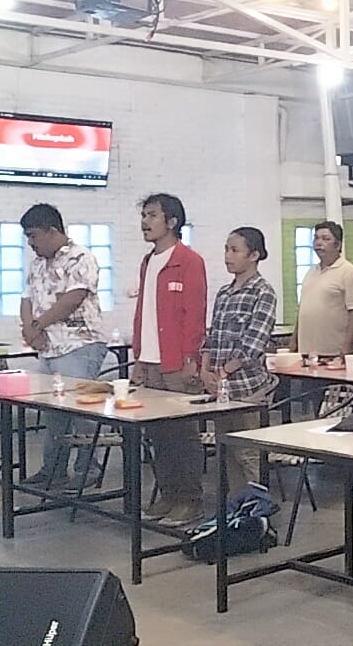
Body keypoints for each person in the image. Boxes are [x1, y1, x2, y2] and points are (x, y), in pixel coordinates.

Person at [17, 204, 109, 493]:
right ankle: (54, 470)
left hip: (80, 344)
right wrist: (30, 330)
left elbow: (73, 298)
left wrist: (37, 325)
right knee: (53, 413)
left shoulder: (81, 258)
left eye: (33, 236)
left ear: (52, 231)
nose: (30, 243)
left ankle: (87, 470)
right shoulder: (37, 264)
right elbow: (26, 299)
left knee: (82, 411)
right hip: (48, 348)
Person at [131, 194, 208, 527]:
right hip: (149, 363)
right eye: (144, 216)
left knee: (183, 435)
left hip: (176, 363)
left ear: (172, 221)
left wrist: (192, 358)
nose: (145, 222)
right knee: (158, 435)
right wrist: (138, 357)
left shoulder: (189, 261)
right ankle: (168, 495)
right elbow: (142, 313)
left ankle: (190, 500)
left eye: (152, 215)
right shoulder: (148, 262)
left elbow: (195, 314)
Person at [201, 227, 280, 496]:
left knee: (248, 453)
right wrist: (205, 370)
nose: (228, 256)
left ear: (254, 255)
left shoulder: (263, 292)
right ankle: (235, 508)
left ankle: (257, 510)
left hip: (248, 389)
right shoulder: (224, 293)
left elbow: (253, 344)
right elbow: (213, 335)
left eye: (235, 250)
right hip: (221, 389)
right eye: (226, 249)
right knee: (226, 452)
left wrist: (223, 372)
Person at [292, 220, 353, 360]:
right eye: (316, 238)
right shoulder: (311, 272)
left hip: (333, 351)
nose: (319, 243)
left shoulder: (348, 271)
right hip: (306, 350)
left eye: (325, 239)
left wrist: (347, 346)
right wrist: (294, 341)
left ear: (338, 244)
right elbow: (302, 309)